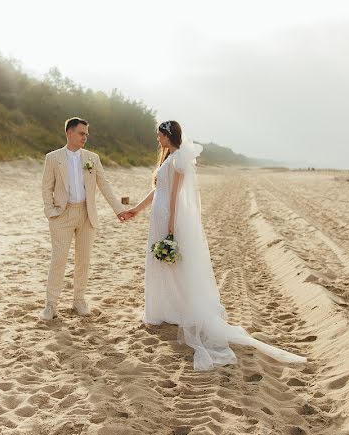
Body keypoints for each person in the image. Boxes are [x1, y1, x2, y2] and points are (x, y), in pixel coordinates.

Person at [122, 120, 306, 370]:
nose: (158, 140)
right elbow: (158, 190)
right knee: (159, 263)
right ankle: (162, 308)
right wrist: (136, 209)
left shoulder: (177, 160)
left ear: (168, 135)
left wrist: (172, 227)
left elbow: (175, 195)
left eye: (160, 136)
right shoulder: (168, 159)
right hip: (158, 215)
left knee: (173, 265)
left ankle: (175, 309)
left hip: (167, 217)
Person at [39, 117, 130, 321]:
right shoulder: (53, 158)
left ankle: (78, 300)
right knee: (58, 260)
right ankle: (51, 305)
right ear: (69, 133)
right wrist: (50, 211)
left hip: (87, 215)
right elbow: (46, 187)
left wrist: (119, 210)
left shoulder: (92, 158)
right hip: (62, 215)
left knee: (83, 261)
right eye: (81, 133)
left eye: (87, 134)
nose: (85, 137)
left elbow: (104, 184)